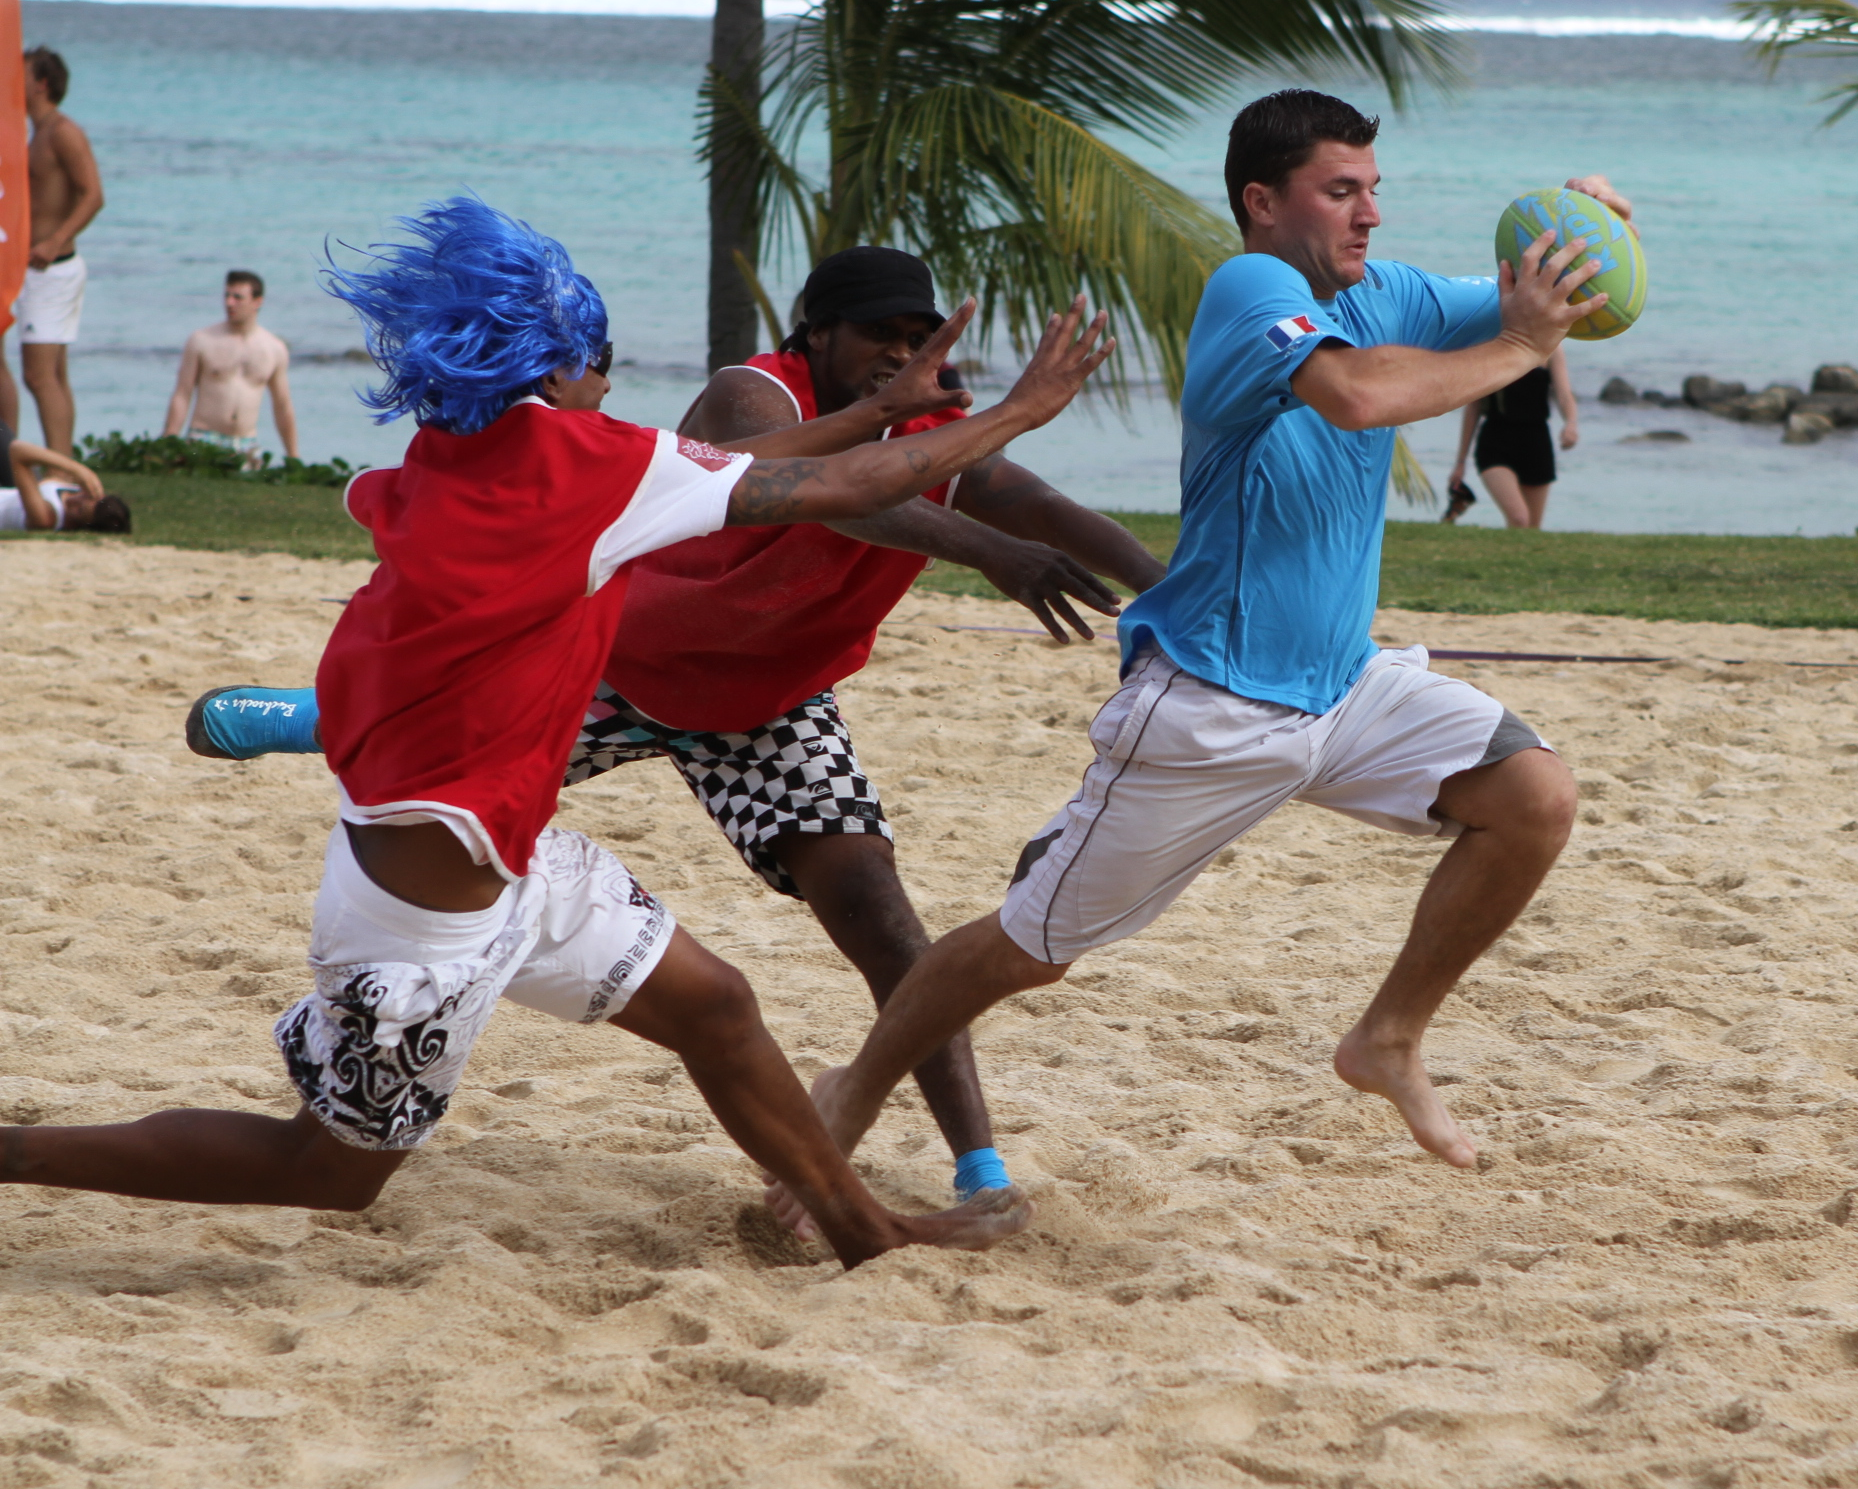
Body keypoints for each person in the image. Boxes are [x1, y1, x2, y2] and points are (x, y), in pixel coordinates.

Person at [0, 197, 1115, 1268]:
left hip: (511, 857)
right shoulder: (591, 474)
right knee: (326, 1172)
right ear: (548, 370)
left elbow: (758, 465)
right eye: (600, 359)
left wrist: (879, 408)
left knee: (718, 1008)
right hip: (423, 916)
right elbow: (841, 487)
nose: (612, 379)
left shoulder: (462, 449)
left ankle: (866, 1233)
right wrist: (1018, 410)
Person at [762, 89, 1627, 1221]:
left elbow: (1561, 303)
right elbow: (1358, 394)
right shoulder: (1249, 290)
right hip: (1212, 704)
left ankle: (1387, 1038)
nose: (1368, 213)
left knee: (1534, 797)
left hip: (1342, 686)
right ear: (1262, 202)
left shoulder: (1390, 291)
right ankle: (853, 1091)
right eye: (1340, 191)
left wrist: (1586, 229)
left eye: (1373, 189)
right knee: (1029, 949)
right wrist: (1517, 346)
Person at [16, 48, 104, 462]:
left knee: (38, 376)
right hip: (38, 269)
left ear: (41, 84)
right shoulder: (35, 133)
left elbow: (93, 195)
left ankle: (60, 471)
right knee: (52, 374)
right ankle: (63, 467)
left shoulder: (63, 132)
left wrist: (54, 241)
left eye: (19, 74)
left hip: (52, 268)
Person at [162, 270, 300, 465]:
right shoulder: (202, 340)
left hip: (247, 444)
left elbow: (282, 405)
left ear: (257, 302)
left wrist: (293, 456)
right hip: (203, 439)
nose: (229, 303)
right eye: (227, 296)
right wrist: (169, 441)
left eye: (238, 298)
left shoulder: (274, 349)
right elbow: (182, 394)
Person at [1445, 346, 1578, 528]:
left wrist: (1571, 423)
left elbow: (1564, 394)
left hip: (1536, 442)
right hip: (1495, 441)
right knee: (1519, 518)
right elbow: (1474, 406)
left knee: (1531, 529)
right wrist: (1460, 462)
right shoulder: (1488, 343)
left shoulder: (1551, 346)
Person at [0, 436, 130, 533]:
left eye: (79, 510)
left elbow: (17, 450)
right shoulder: (72, 491)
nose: (74, 500)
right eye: (87, 497)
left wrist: (76, 469)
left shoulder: (47, 518)